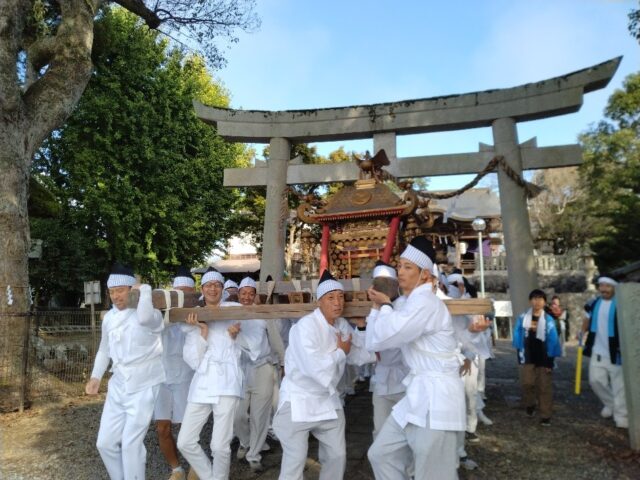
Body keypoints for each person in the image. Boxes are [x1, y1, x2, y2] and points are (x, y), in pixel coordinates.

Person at [366, 237, 465, 480]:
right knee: (380, 453)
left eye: (408, 267)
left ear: (424, 275)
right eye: (399, 265)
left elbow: (389, 333)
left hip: (438, 398)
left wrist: (385, 305)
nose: (400, 271)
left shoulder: (426, 303)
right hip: (418, 395)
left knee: (432, 474)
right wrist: (379, 307)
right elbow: (374, 342)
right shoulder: (408, 304)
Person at [272, 269, 371, 480]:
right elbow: (314, 368)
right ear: (319, 301)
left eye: (341, 296)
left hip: (327, 399)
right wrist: (340, 352)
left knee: (337, 455)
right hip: (299, 399)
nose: (338, 302)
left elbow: (361, 356)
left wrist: (361, 327)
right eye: (331, 297)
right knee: (295, 461)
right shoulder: (304, 327)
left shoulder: (342, 325)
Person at [85, 263, 165, 480]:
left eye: (120, 290)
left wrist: (145, 290)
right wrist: (95, 376)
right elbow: (104, 349)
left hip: (144, 383)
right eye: (111, 292)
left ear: (133, 290)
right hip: (118, 384)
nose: (115, 296)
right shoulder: (110, 318)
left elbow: (145, 318)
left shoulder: (152, 315)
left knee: (131, 444)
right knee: (105, 443)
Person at [176, 267, 244, 480]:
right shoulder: (194, 317)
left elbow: (254, 347)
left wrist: (235, 337)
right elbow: (194, 361)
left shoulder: (235, 311)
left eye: (217, 285)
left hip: (227, 381)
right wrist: (202, 332)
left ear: (223, 289)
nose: (213, 289)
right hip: (203, 382)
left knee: (220, 445)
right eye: (208, 285)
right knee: (185, 441)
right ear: (202, 289)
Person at [233, 276, 285, 472]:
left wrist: (283, 362)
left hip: (263, 368)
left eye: (251, 293)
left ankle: (254, 454)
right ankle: (245, 442)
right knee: (236, 415)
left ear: (255, 296)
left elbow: (276, 340)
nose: (247, 297)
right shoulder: (230, 313)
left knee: (259, 415)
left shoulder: (264, 315)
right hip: (238, 370)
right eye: (243, 293)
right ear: (238, 295)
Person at [155, 266, 197, 480]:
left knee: (187, 428)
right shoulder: (161, 315)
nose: (181, 296)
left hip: (185, 378)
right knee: (162, 428)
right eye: (177, 291)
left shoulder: (198, 314)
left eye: (185, 292)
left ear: (192, 293)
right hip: (162, 377)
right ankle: (176, 469)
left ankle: (196, 466)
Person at [582, 276, 628, 429]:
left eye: (607, 286)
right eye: (602, 285)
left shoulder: (622, 304)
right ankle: (612, 405)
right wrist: (582, 332)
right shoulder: (594, 303)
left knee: (619, 385)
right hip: (597, 349)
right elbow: (586, 319)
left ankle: (621, 415)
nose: (604, 289)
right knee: (595, 381)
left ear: (615, 287)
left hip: (617, 351)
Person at [512, 289, 562, 427]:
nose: (537, 301)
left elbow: (553, 340)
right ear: (530, 301)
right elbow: (517, 336)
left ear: (545, 302)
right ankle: (530, 404)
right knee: (527, 383)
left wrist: (550, 361)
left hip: (544, 356)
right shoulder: (523, 318)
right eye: (534, 298)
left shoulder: (548, 319)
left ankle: (545, 415)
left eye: (540, 299)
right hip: (528, 355)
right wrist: (519, 355)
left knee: (544, 387)